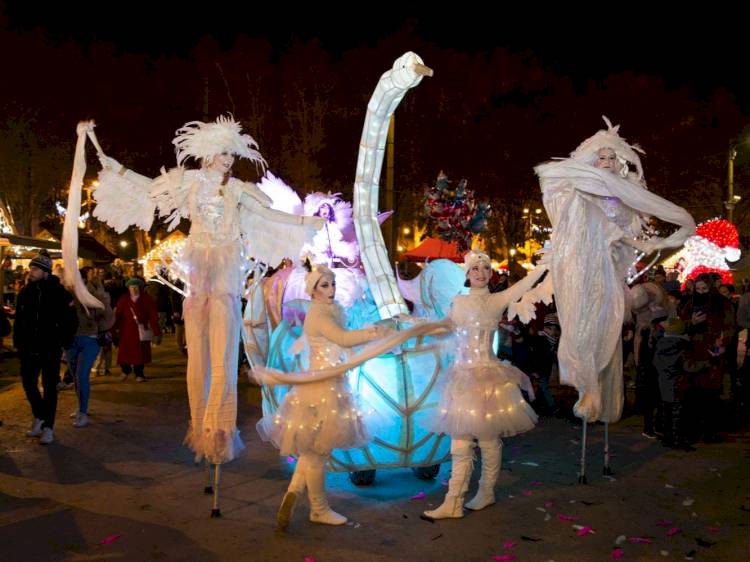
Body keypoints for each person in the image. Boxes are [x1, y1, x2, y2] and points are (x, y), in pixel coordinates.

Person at [92, 115, 324, 464]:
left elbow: (270, 215)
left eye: (232, 153)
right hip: (200, 272)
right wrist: (117, 170)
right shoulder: (189, 182)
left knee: (224, 351)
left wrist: (304, 222)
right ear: (207, 153)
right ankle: (201, 424)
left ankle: (221, 429)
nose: (228, 159)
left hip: (227, 272)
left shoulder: (238, 189)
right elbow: (150, 186)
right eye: (222, 152)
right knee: (198, 353)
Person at [534, 116, 695, 423]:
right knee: (579, 321)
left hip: (607, 267)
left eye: (611, 157)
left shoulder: (623, 192)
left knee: (604, 323)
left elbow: (636, 220)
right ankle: (586, 385)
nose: (606, 161)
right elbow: (555, 191)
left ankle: (598, 390)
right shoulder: (579, 188)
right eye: (601, 156)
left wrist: (645, 240)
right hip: (580, 262)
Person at [256, 264, 387, 528]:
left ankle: (294, 490)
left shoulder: (330, 310)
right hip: (322, 388)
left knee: (313, 448)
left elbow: (342, 342)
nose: (331, 289)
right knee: (318, 452)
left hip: (330, 383)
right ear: (313, 291)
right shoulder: (318, 315)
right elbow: (342, 338)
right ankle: (318, 509)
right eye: (324, 285)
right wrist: (375, 333)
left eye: (333, 284)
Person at [423, 251, 542, 520]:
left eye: (485, 268)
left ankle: (486, 492)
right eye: (474, 268)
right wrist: (414, 328)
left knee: (488, 440)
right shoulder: (458, 302)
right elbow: (444, 327)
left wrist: (547, 264)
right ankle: (453, 501)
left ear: (491, 273)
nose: (480, 273)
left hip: (488, 379)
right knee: (460, 443)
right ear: (466, 274)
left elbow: (526, 284)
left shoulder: (498, 300)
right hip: (462, 379)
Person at [13, 251, 77, 445]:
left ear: (45, 271)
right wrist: (19, 342)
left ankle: (48, 427)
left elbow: (70, 320)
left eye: (34, 268)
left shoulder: (60, 293)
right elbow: (19, 320)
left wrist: (62, 340)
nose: (30, 271)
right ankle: (39, 416)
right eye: (30, 268)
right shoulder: (25, 292)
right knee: (28, 384)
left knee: (50, 387)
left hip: (50, 348)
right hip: (28, 348)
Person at [66, 268, 114, 427]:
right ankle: (80, 407)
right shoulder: (66, 293)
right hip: (71, 339)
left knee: (82, 375)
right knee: (75, 376)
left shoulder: (94, 293)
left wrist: (97, 322)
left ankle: (83, 412)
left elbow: (108, 316)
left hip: (90, 339)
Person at [112, 278, 159, 382]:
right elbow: (118, 315)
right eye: (131, 287)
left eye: (136, 287)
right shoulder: (124, 299)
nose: (133, 289)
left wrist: (156, 330)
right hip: (126, 330)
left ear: (140, 288)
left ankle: (139, 373)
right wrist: (114, 329)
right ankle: (125, 371)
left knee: (140, 352)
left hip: (141, 330)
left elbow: (153, 315)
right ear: (128, 289)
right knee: (125, 352)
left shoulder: (147, 299)